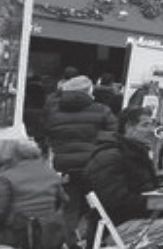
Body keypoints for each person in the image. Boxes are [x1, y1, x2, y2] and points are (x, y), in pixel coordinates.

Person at [86, 106, 163, 248]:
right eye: (145, 125)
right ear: (129, 128)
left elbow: (144, 189)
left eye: (152, 124)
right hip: (119, 226)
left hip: (137, 217)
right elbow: (117, 202)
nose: (151, 130)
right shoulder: (111, 156)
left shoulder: (134, 151)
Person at [42, 75, 118, 234]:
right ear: (88, 91)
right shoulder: (102, 110)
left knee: (70, 209)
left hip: (65, 167)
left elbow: (47, 137)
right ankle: (91, 241)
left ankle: (66, 242)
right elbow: (113, 137)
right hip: (95, 166)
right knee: (98, 209)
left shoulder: (53, 112)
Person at [0, 139, 71, 248]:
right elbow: (64, 199)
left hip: (17, 236)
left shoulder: (3, 178)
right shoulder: (47, 171)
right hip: (48, 233)